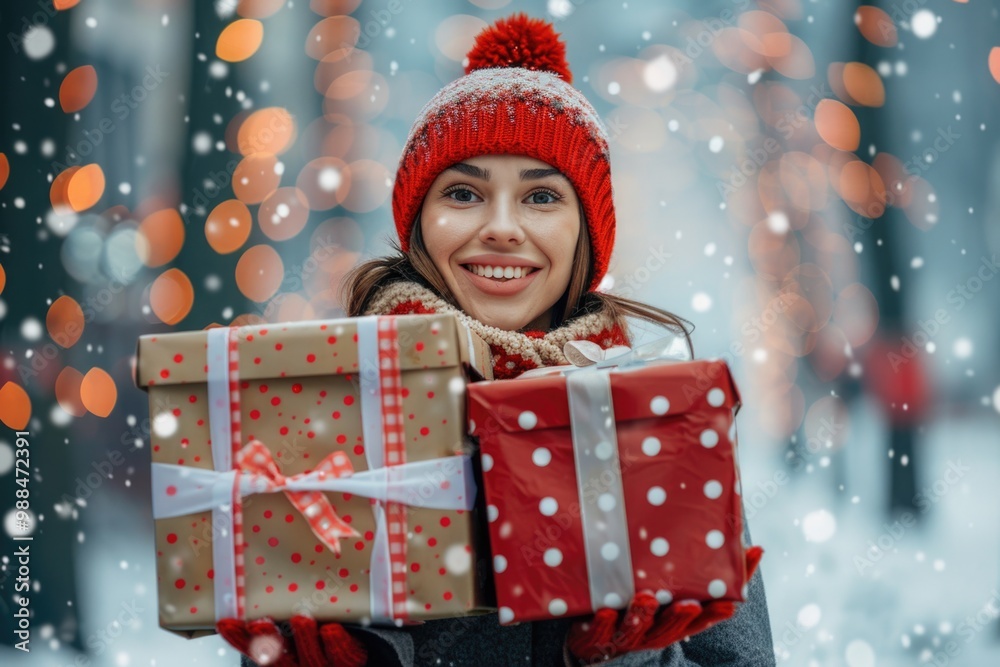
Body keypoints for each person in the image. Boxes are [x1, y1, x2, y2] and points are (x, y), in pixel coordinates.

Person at [220, 13, 775, 667]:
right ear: (420, 224)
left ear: (585, 234)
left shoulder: (660, 426)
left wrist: (623, 661)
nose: (503, 228)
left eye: (541, 196)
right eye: (463, 192)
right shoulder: (332, 412)